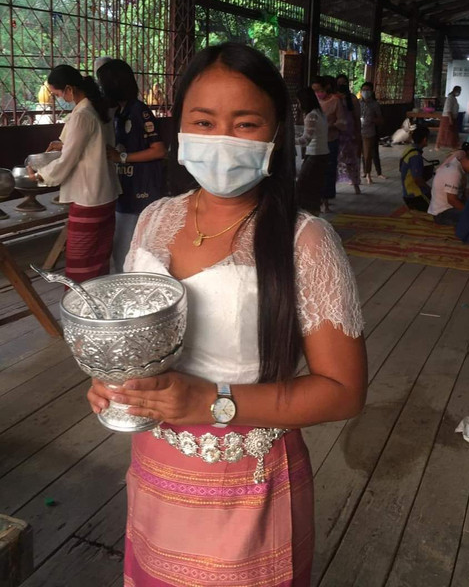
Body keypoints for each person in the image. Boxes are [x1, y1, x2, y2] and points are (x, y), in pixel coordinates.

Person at [87, 43, 367, 585]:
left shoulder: (305, 241)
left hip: (249, 486)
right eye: (204, 121)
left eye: (245, 123)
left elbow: (343, 392)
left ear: (275, 135)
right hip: (155, 468)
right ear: (181, 127)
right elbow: (136, 335)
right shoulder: (154, 220)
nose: (221, 138)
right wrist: (112, 380)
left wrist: (211, 402)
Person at [27, 64, 119, 283]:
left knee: (81, 260)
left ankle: (80, 300)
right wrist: (63, 144)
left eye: (57, 94)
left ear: (69, 88)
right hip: (104, 193)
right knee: (98, 258)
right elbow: (92, 145)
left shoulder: (82, 115)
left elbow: (68, 160)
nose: (58, 98)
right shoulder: (96, 109)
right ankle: (97, 297)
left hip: (88, 197)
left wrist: (41, 176)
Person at [97, 60, 166, 271]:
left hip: (141, 190)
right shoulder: (118, 112)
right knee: (121, 247)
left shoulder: (139, 111)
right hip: (124, 188)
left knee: (130, 248)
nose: (101, 89)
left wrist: (122, 157)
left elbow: (159, 150)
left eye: (102, 84)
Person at [311, 75, 346, 213]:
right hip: (315, 141)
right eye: (314, 91)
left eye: (319, 90)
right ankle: (316, 199)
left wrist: (330, 126)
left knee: (328, 170)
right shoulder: (313, 101)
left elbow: (342, 121)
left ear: (326, 88)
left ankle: (325, 200)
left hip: (330, 140)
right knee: (315, 171)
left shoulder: (335, 101)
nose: (317, 93)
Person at [294, 86, 329, 214]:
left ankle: (306, 214)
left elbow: (305, 140)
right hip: (322, 154)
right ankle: (314, 213)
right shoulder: (320, 113)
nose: (298, 105)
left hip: (315, 155)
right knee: (314, 188)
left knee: (302, 186)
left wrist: (289, 140)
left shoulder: (311, 115)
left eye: (299, 102)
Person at [427, 152, 469, 225]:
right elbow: (452, 200)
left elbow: (467, 193)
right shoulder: (454, 172)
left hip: (452, 206)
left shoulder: (464, 171)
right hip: (442, 212)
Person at [335, 73, 362, 195]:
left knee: (351, 160)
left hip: (349, 134)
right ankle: (333, 186)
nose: (341, 85)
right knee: (335, 161)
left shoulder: (352, 99)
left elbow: (357, 117)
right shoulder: (334, 98)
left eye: (343, 83)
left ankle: (356, 184)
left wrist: (358, 132)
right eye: (339, 83)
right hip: (337, 133)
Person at [400, 126, 433, 212]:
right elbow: (418, 180)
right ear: (425, 139)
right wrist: (430, 190)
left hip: (407, 192)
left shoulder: (409, 150)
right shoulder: (415, 156)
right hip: (416, 195)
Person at [359, 81, 382, 184]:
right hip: (357, 131)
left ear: (372, 92)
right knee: (356, 154)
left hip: (369, 132)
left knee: (367, 154)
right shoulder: (357, 103)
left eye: (368, 90)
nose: (365, 92)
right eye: (364, 90)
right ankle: (355, 174)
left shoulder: (375, 104)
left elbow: (380, 119)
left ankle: (368, 174)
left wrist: (372, 119)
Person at [436, 86, 461, 150]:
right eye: (459, 91)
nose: (459, 93)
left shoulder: (454, 98)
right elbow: (448, 110)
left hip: (453, 117)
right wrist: (450, 119)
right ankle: (438, 145)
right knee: (444, 132)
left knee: (453, 132)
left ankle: (454, 145)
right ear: (455, 91)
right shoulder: (450, 98)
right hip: (447, 117)